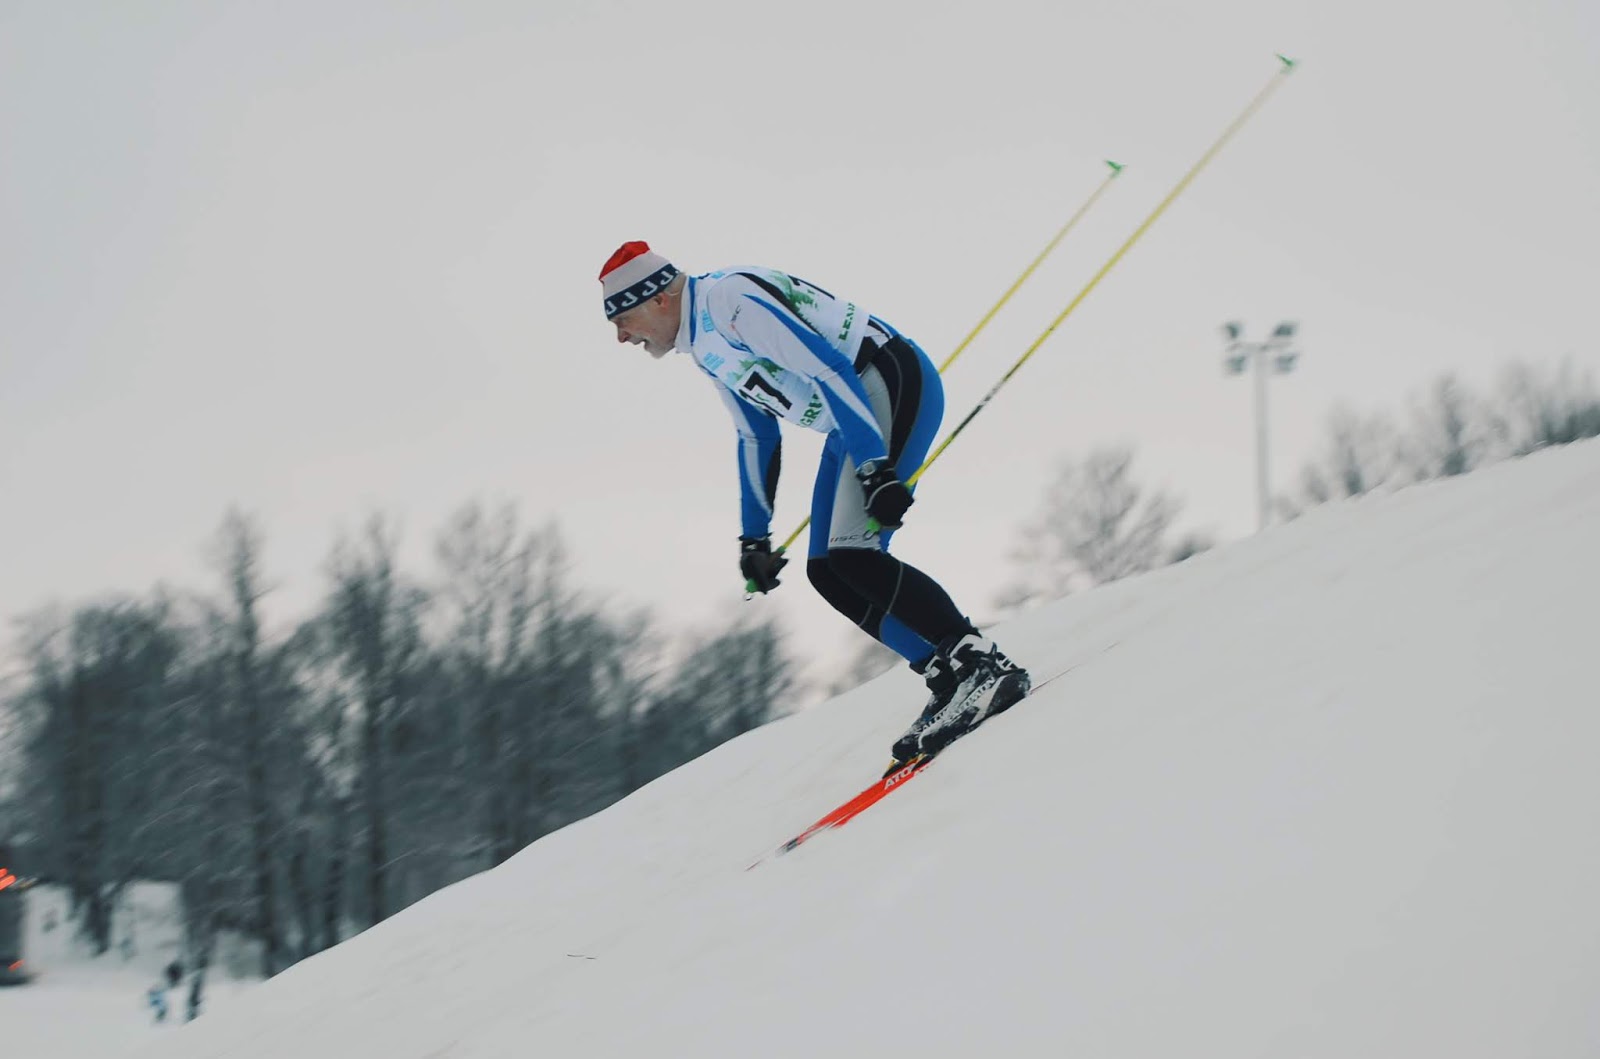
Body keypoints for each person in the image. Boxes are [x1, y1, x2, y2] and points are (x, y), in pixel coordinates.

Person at [599, 241, 1031, 765]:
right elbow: (756, 436)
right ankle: (946, 675)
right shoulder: (703, 344)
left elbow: (829, 370)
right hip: (849, 418)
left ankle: (982, 664)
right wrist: (753, 538)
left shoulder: (729, 301)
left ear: (659, 298)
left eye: (623, 319)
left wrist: (874, 466)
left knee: (854, 554)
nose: (623, 337)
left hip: (886, 383)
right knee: (827, 570)